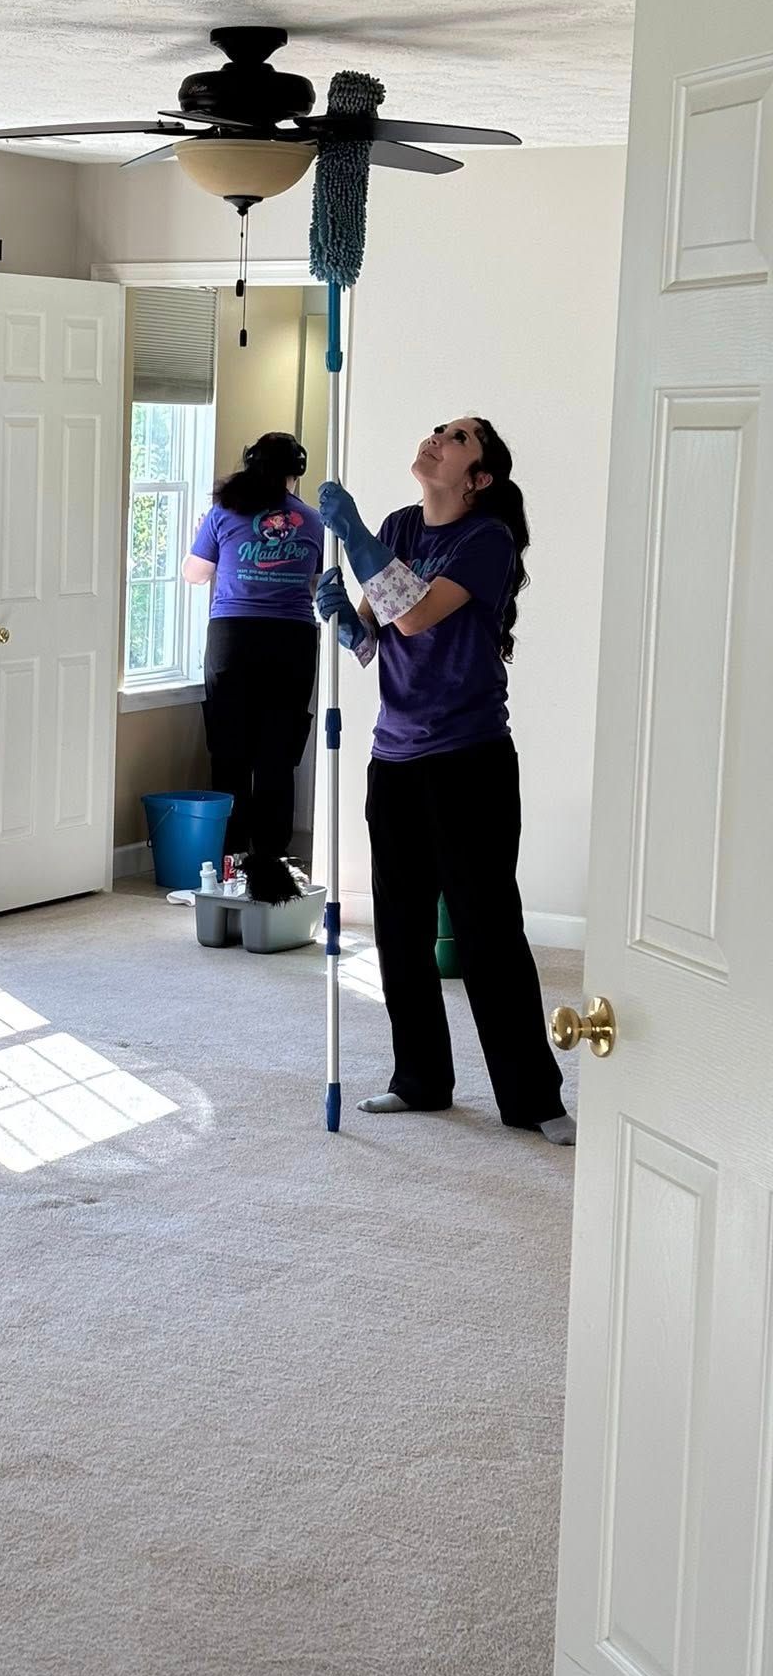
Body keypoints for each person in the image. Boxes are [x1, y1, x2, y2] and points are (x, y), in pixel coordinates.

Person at [314, 416, 574, 1145]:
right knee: (399, 932)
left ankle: (533, 1099)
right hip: (394, 759)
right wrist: (343, 622)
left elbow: (418, 615)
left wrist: (353, 532)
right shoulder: (400, 526)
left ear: (478, 478)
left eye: (458, 438)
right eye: (438, 429)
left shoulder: (486, 541)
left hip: (469, 761)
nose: (437, 438)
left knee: (487, 932)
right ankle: (420, 1080)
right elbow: (376, 635)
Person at [183, 432, 323, 901]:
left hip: (233, 638)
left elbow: (195, 573)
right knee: (278, 756)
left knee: (229, 752)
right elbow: (317, 582)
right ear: (296, 471)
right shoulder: (313, 520)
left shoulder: (224, 513)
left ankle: (231, 862)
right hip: (291, 641)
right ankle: (273, 864)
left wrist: (201, 537)